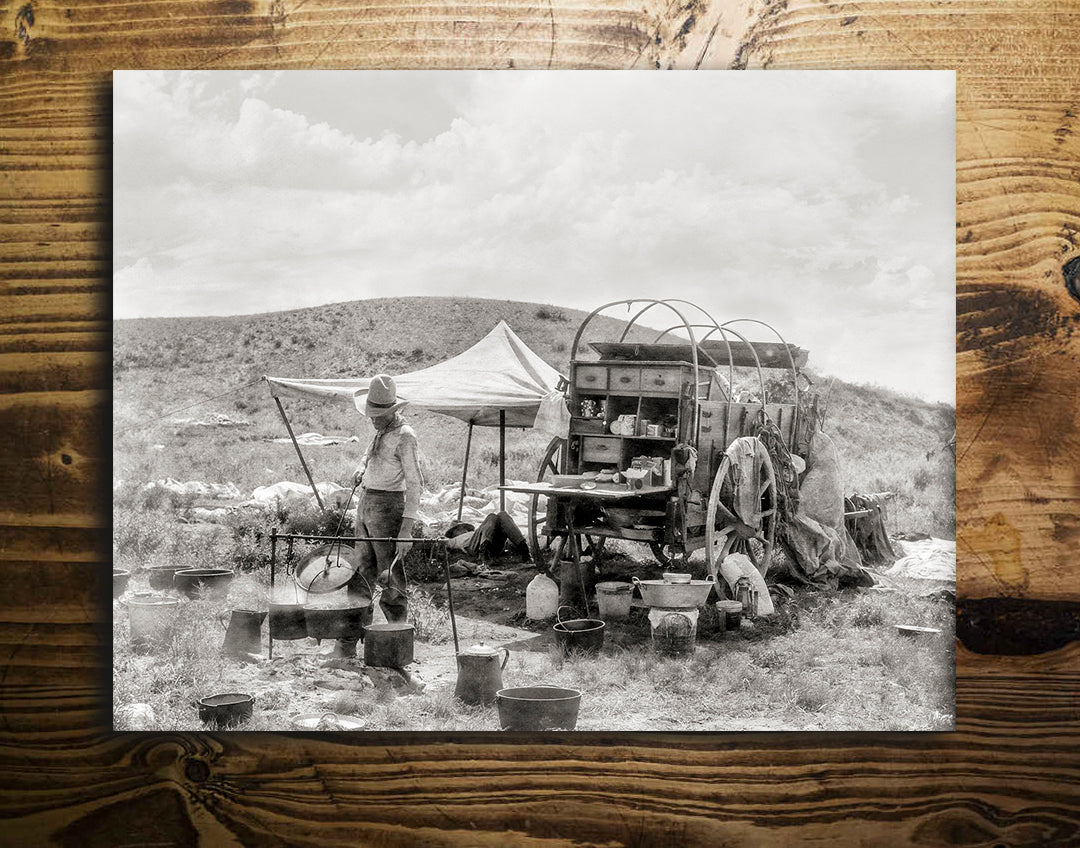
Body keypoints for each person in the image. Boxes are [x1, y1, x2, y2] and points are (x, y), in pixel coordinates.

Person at [334, 374, 424, 658]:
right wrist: (360, 468)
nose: (373, 419)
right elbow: (367, 455)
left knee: (392, 580)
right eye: (372, 414)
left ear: (392, 411)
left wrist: (406, 529)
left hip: (389, 508)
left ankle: (397, 648)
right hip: (366, 504)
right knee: (359, 576)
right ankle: (347, 646)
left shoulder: (405, 436)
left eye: (379, 415)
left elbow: (415, 483)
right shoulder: (380, 431)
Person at [445, 511, 531, 565]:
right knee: (492, 516)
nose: (462, 529)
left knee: (503, 514)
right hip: (475, 547)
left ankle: (524, 549)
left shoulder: (474, 533)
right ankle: (483, 553)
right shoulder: (455, 540)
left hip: (492, 543)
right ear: (453, 533)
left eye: (463, 527)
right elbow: (445, 544)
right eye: (458, 529)